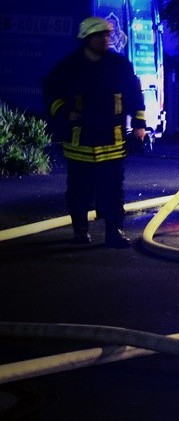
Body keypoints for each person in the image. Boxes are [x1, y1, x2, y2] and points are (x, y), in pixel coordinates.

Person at [42, 16, 148, 247]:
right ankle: (81, 232)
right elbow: (51, 93)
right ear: (87, 38)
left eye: (107, 35)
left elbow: (134, 95)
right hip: (81, 139)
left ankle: (115, 232)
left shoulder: (119, 65)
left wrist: (139, 126)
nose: (105, 39)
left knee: (113, 189)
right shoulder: (69, 67)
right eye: (100, 35)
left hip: (112, 138)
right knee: (79, 189)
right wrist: (65, 112)